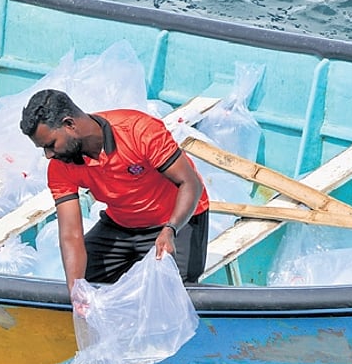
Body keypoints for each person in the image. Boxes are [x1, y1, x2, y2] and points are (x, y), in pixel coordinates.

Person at [20, 89, 210, 293]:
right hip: (121, 224)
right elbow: (71, 234)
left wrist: (170, 230)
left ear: (69, 124)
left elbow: (190, 184)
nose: (48, 155)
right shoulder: (60, 164)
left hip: (175, 222)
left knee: (174, 295)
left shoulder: (138, 131)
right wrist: (76, 293)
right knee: (84, 284)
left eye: (50, 145)